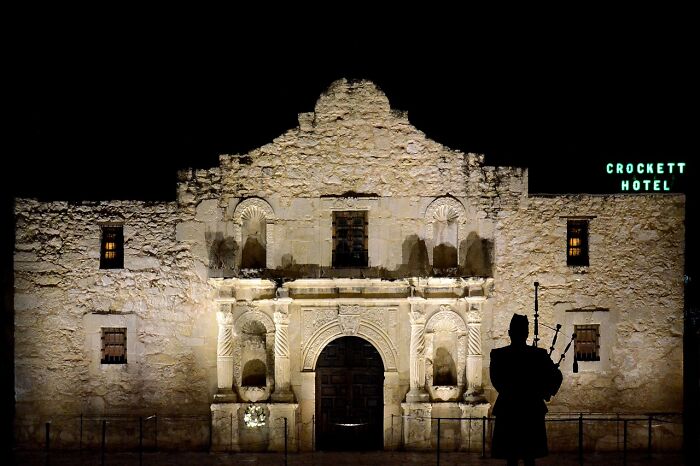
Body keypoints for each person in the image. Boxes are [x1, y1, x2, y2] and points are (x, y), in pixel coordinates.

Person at [490, 314, 562, 466]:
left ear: (509, 332)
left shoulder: (498, 355)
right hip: (531, 409)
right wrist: (545, 392)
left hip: (508, 409)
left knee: (512, 458)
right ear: (527, 333)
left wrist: (514, 392)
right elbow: (556, 377)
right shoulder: (539, 355)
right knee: (530, 458)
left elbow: (497, 382)